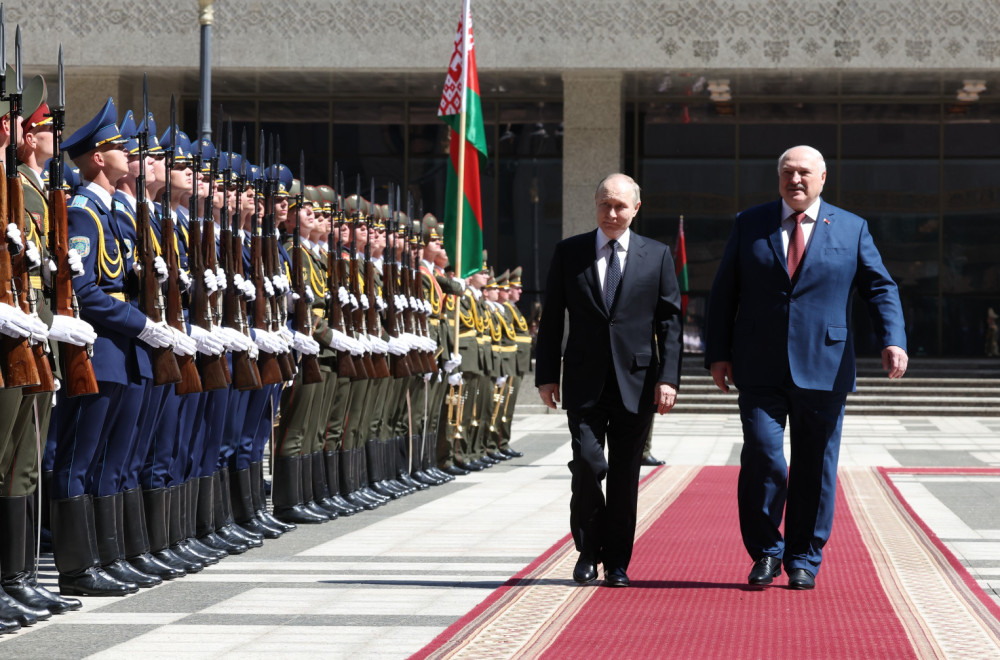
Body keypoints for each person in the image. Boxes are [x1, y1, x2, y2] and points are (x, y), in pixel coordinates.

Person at [705, 145, 908, 590]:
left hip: (825, 364)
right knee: (763, 455)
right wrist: (717, 352)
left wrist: (892, 339)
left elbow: (880, 287)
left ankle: (803, 558)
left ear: (822, 179)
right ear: (778, 177)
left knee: (815, 465)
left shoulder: (852, 228)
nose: (796, 180)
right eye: (787, 172)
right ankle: (765, 551)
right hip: (759, 364)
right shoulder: (749, 223)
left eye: (805, 173)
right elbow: (724, 293)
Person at [535, 173, 683, 588]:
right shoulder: (570, 253)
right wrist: (546, 375)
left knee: (623, 475)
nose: (612, 213)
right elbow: (552, 320)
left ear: (637, 208)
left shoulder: (656, 255)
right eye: (605, 204)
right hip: (583, 380)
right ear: (595, 205)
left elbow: (670, 322)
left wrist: (668, 378)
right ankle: (586, 550)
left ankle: (617, 561)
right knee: (586, 463)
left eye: (621, 206)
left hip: (637, 381)